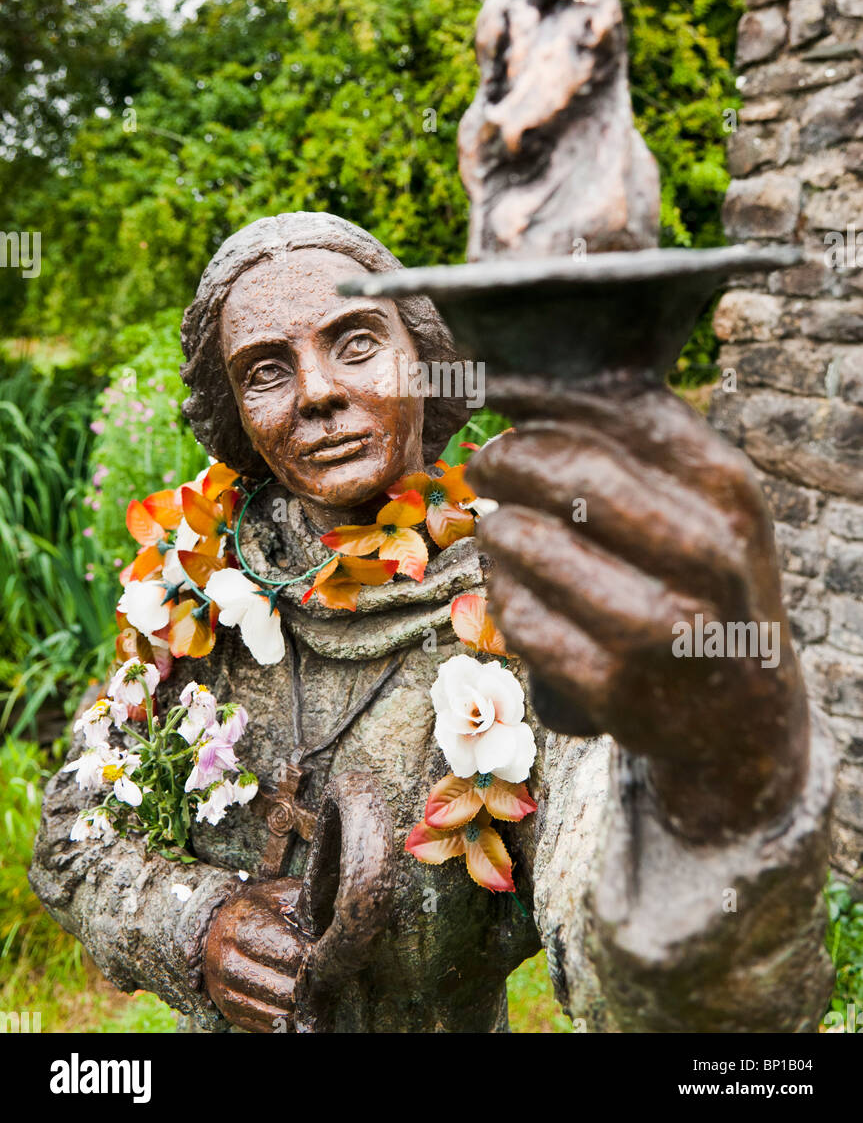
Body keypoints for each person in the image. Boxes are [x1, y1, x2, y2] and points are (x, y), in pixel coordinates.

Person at [30, 210, 835, 1033]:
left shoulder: (530, 607)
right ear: (235, 413)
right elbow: (71, 834)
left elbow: (624, 930)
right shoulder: (196, 593)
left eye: (354, 342)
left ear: (423, 359)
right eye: (265, 370)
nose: (317, 392)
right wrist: (192, 924)